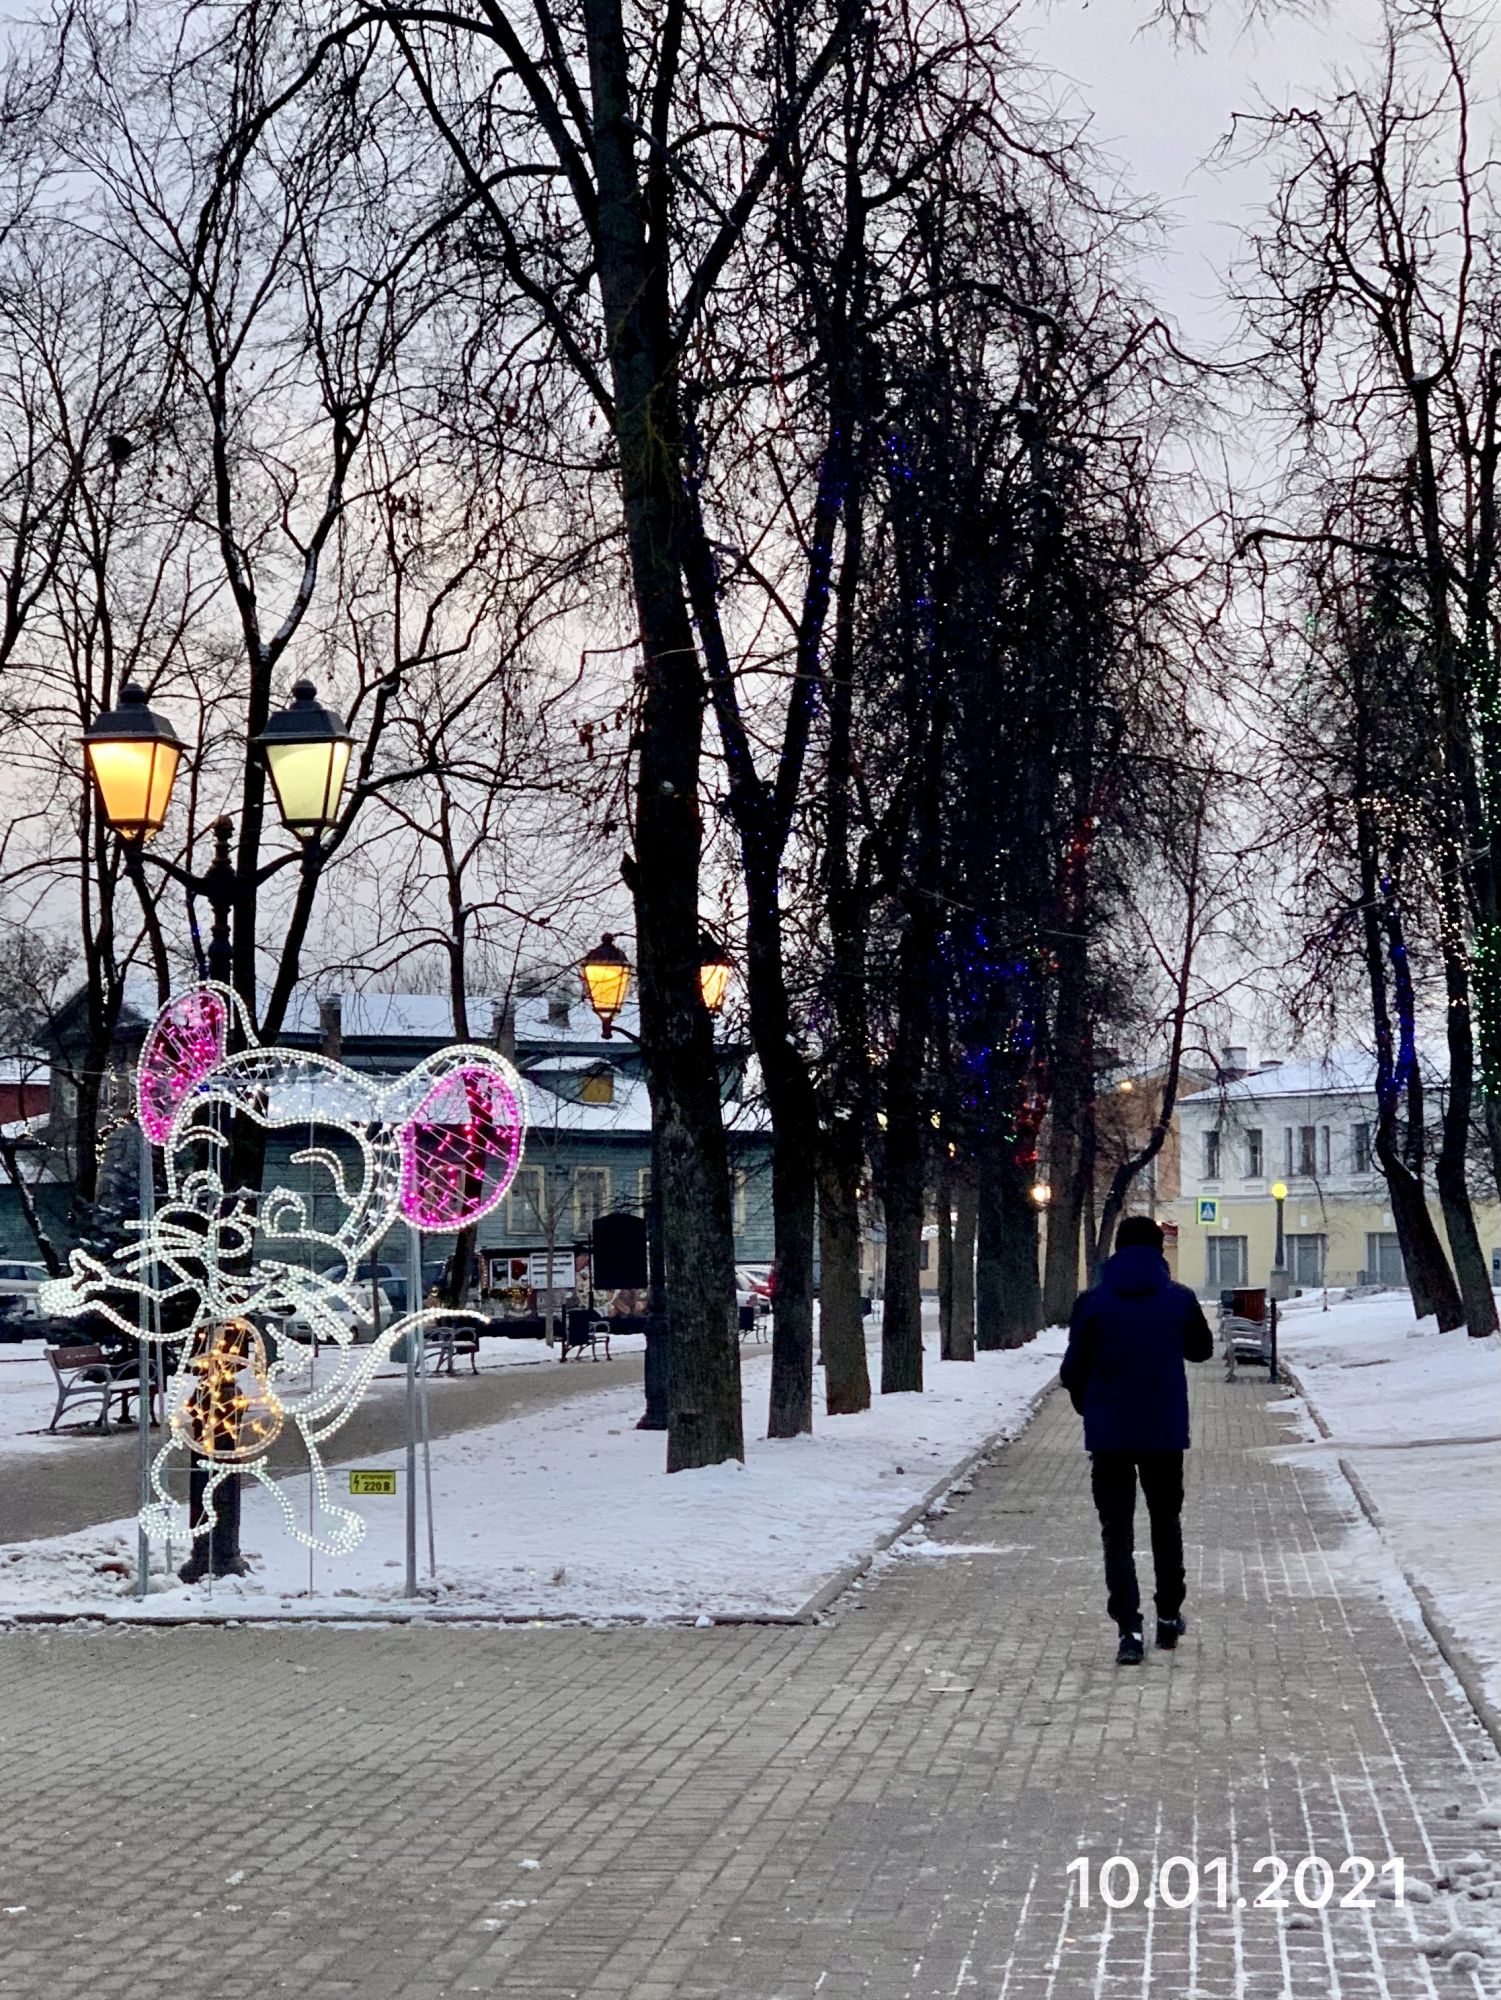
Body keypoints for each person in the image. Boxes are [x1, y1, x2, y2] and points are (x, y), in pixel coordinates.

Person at [1060, 1215, 1215, 1666]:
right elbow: (1201, 1350)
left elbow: (1072, 1370)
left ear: (1117, 1251)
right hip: (1164, 1434)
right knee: (1166, 1523)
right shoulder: (1179, 1298)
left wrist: (1090, 1407)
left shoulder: (1092, 1303)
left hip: (1109, 1436)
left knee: (1117, 1532)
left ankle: (1129, 1629)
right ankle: (1169, 1615)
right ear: (1158, 1251)